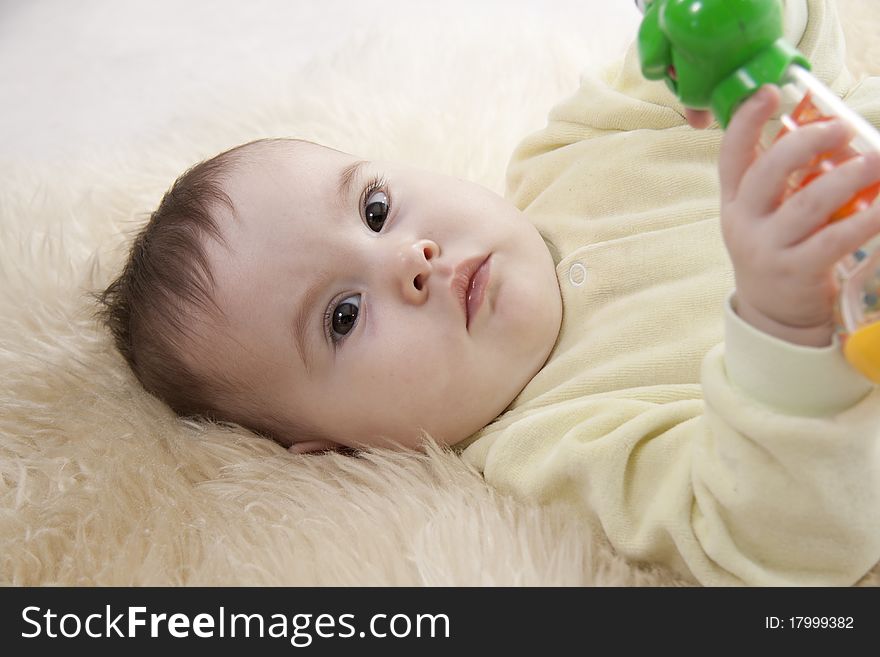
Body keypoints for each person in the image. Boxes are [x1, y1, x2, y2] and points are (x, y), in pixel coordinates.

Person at [97, 0, 880, 585]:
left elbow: (774, 53)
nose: (410, 257)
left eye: (374, 209)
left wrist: (712, 24)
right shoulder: (553, 450)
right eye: (342, 316)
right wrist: (786, 330)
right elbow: (783, 538)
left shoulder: (575, 147)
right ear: (337, 448)